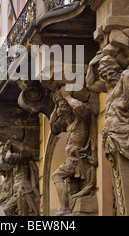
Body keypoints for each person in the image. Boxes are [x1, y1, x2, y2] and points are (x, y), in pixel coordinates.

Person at [51, 87, 93, 216]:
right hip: (72, 159)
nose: (60, 111)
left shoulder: (79, 120)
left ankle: (64, 208)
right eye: (60, 108)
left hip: (77, 160)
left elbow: (80, 108)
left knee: (56, 175)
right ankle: (70, 210)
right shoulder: (69, 125)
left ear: (69, 108)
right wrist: (56, 105)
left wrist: (68, 98)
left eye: (63, 107)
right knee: (73, 190)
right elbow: (53, 124)